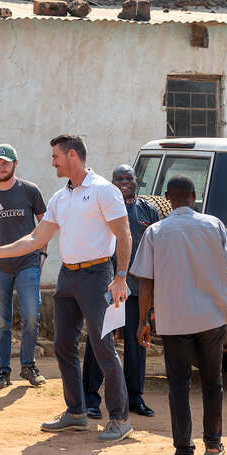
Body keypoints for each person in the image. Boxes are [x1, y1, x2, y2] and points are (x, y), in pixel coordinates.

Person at [0, 134, 134, 442]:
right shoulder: (60, 197)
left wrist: (121, 276)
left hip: (97, 275)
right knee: (63, 345)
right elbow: (35, 239)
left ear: (72, 155)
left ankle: (119, 419)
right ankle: (76, 413)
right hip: (68, 276)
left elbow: (124, 234)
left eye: (56, 157)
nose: (52, 162)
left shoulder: (104, 190)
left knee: (103, 348)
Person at [133, 175, 227, 455]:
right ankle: (214, 445)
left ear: (168, 198)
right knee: (213, 382)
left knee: (178, 385)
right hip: (212, 316)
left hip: (175, 319)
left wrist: (143, 321)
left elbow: (145, 281)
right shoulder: (214, 224)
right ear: (194, 196)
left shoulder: (155, 231)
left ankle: (184, 452)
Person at [82, 165, 160, 419]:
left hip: (137, 290)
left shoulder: (148, 210)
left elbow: (157, 247)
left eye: (129, 178)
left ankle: (135, 398)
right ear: (112, 181)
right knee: (100, 341)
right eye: (119, 178)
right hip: (107, 287)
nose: (124, 182)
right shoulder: (104, 206)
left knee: (137, 343)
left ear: (137, 181)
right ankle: (90, 398)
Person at [0, 143, 48, 389]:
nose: (0, 167)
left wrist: (43, 253)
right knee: (2, 321)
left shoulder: (30, 190)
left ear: (15, 164)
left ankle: (28, 366)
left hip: (28, 263)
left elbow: (44, 222)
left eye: (5, 163)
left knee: (31, 315)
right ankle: (3, 371)